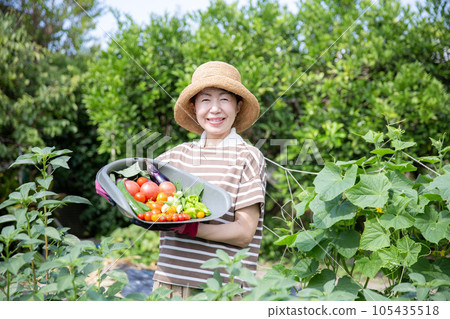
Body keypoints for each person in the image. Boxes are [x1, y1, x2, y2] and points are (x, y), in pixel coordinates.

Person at [98, 61, 266, 299]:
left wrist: (190, 227)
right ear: (194, 106)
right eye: (205, 100)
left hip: (222, 290)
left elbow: (244, 232)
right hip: (169, 286)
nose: (215, 109)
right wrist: (112, 185)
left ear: (238, 107)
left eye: (225, 99)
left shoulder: (248, 157)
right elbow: (140, 183)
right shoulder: (176, 156)